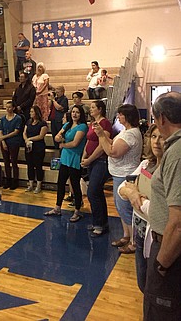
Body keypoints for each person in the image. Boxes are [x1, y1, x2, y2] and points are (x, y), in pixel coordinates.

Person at [143, 92, 181, 319]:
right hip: (167, 245)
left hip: (170, 250)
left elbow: (178, 223)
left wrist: (162, 264)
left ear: (162, 119)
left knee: (160, 310)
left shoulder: (176, 153)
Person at [120, 124, 160, 292]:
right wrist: (134, 193)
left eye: (162, 137)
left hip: (157, 235)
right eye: (154, 137)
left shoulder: (169, 170)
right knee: (142, 280)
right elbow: (121, 189)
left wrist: (136, 196)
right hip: (140, 230)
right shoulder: (145, 164)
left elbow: (158, 211)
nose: (157, 142)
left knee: (154, 284)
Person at [97, 104, 143, 254]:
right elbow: (113, 144)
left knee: (125, 210)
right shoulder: (127, 131)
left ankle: (134, 242)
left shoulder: (130, 134)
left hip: (125, 174)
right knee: (120, 208)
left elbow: (112, 151)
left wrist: (101, 136)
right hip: (119, 173)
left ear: (127, 116)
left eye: (120, 114)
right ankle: (126, 235)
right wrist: (104, 136)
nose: (118, 116)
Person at [47, 104, 88, 222]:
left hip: (75, 158)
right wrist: (59, 138)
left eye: (77, 112)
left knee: (75, 185)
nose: (74, 114)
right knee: (60, 183)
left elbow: (75, 143)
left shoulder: (83, 127)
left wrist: (63, 144)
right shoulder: (67, 125)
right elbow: (57, 136)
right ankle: (57, 208)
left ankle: (77, 210)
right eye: (73, 112)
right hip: (65, 157)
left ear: (81, 114)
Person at [80, 100, 114, 237]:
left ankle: (99, 224)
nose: (91, 109)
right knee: (97, 192)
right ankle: (99, 222)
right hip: (91, 161)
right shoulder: (91, 124)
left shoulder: (105, 123)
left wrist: (90, 159)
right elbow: (89, 140)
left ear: (100, 109)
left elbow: (102, 145)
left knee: (93, 192)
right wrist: (84, 156)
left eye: (93, 107)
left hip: (100, 161)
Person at [0, 100, 24, 190]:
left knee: (13, 161)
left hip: (14, 142)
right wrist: (3, 141)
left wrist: (4, 137)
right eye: (6, 107)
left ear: (13, 108)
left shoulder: (18, 118)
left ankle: (15, 180)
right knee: (6, 162)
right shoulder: (3, 119)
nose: (8, 109)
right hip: (4, 142)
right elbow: (0, 130)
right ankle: (7, 180)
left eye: (9, 107)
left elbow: (16, 132)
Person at [23, 106, 49, 193]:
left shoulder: (43, 123)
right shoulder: (28, 122)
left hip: (39, 147)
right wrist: (26, 139)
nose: (30, 113)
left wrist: (30, 139)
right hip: (29, 146)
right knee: (29, 165)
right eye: (30, 111)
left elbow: (41, 136)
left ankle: (38, 185)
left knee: (38, 166)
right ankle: (30, 184)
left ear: (36, 113)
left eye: (32, 112)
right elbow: (24, 132)